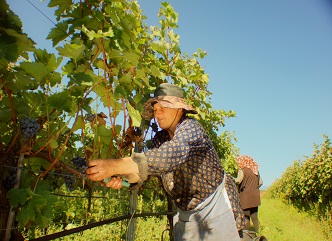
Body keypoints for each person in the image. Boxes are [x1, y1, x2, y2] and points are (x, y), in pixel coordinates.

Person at [86, 83, 244, 241]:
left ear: (179, 109)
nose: (158, 114)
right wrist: (124, 176)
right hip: (187, 214)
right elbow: (145, 172)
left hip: (215, 208)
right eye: (155, 110)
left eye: (163, 108)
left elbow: (170, 155)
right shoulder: (159, 139)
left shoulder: (191, 128)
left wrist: (115, 165)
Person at [235, 155, 263, 233]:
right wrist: (253, 187)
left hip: (245, 196)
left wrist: (230, 178)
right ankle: (258, 233)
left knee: (246, 216)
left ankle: (247, 235)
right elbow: (260, 183)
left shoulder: (242, 170)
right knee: (254, 217)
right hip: (255, 196)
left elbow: (238, 181)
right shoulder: (255, 171)